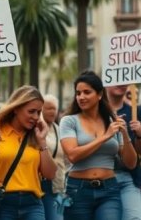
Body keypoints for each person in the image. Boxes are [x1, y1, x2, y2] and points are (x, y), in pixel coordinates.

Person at [60, 71, 137, 219]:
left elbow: (131, 163)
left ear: (100, 94)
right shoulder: (69, 121)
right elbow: (72, 155)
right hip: (78, 190)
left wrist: (125, 134)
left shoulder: (111, 121)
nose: (81, 97)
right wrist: (105, 136)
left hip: (110, 189)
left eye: (87, 92)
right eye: (78, 93)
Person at [0, 85, 57, 220]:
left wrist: (42, 143)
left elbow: (50, 174)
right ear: (16, 108)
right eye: (31, 111)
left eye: (38, 112)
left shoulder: (37, 135)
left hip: (33, 204)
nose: (36, 117)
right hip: (1, 203)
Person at [105, 83, 141, 220]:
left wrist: (139, 134)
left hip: (129, 178)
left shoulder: (136, 112)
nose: (120, 84)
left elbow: (138, 154)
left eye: (123, 81)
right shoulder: (95, 112)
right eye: (116, 80)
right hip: (102, 179)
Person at [41, 94, 67, 220]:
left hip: (57, 186)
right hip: (41, 185)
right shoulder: (36, 129)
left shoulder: (59, 129)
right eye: (48, 108)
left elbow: (66, 159)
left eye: (54, 109)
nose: (52, 112)